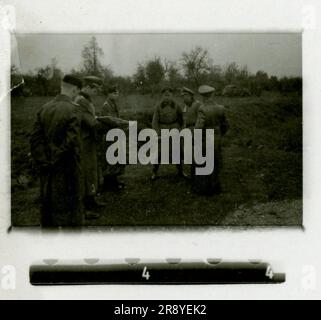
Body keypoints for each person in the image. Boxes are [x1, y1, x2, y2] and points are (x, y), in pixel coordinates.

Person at [30, 75, 83, 227]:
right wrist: (55, 159)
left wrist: (44, 162)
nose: (76, 96)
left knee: (48, 212)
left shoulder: (44, 108)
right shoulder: (74, 110)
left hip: (47, 171)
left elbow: (34, 140)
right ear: (74, 89)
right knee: (71, 214)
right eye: (77, 92)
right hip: (68, 170)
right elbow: (71, 142)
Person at [74, 76, 106, 217]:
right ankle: (85, 208)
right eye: (94, 89)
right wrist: (107, 123)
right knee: (86, 173)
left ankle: (91, 200)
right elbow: (90, 122)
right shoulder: (80, 101)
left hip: (89, 141)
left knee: (92, 171)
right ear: (87, 87)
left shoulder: (86, 100)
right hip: (84, 142)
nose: (96, 92)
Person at [193, 85, 229, 195]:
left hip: (206, 137)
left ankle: (205, 189)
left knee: (204, 162)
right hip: (217, 136)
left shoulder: (202, 109)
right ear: (212, 95)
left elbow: (199, 127)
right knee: (216, 161)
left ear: (203, 96)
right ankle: (216, 187)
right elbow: (226, 125)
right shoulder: (221, 108)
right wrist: (219, 134)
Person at [151, 86, 184, 180]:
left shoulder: (177, 106)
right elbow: (154, 121)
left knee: (177, 150)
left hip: (174, 129)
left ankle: (180, 171)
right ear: (162, 96)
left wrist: (181, 130)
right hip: (163, 130)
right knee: (160, 152)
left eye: (169, 94)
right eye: (165, 95)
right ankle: (154, 172)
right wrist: (157, 133)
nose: (167, 96)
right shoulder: (158, 106)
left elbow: (181, 119)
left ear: (172, 95)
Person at [99, 85, 126, 191]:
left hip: (115, 134)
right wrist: (123, 123)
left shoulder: (113, 104)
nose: (116, 95)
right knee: (109, 159)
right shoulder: (106, 105)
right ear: (109, 94)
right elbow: (110, 120)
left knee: (115, 158)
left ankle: (114, 182)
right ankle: (109, 184)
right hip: (109, 135)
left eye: (117, 93)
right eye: (114, 93)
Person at [180, 87, 202, 178]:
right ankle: (192, 172)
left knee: (197, 152)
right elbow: (184, 120)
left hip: (196, 130)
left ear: (191, 96)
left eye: (186, 96)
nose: (184, 98)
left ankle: (197, 173)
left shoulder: (197, 105)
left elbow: (201, 119)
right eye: (183, 96)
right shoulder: (185, 106)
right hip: (188, 131)